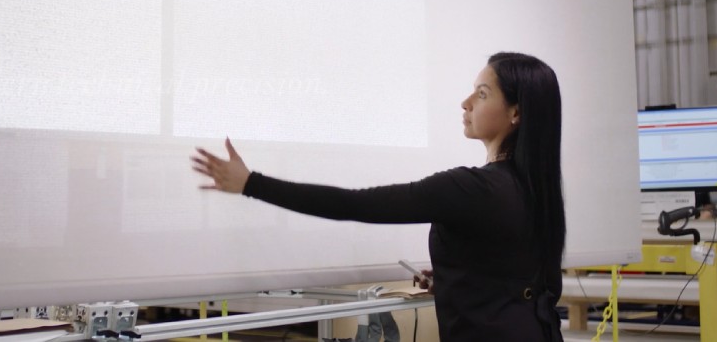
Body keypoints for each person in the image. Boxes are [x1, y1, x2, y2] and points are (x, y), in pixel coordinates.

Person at [191, 52, 565, 342]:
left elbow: (355, 203)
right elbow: (516, 275)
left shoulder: (470, 189)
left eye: (482, 94)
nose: (466, 102)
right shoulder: (534, 188)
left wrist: (251, 183)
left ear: (516, 112)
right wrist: (456, 278)